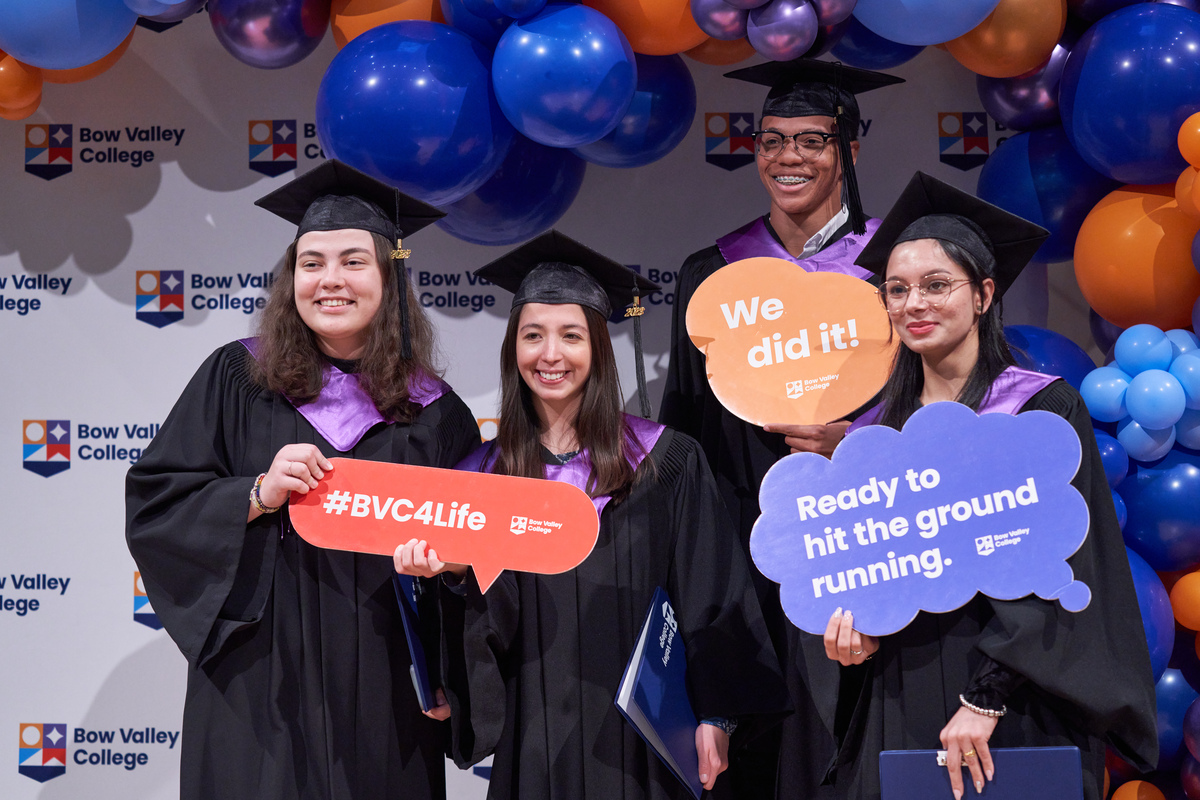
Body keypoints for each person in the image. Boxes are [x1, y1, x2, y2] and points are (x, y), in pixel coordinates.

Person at [125, 160, 481, 800]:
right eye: (311, 263)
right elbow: (158, 503)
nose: (330, 280)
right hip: (261, 679)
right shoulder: (237, 378)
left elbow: (477, 560)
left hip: (386, 684)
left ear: (389, 276)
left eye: (353, 261)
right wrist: (254, 495)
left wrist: (447, 595)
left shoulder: (437, 413)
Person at [394, 230, 789, 800]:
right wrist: (455, 578)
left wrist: (718, 714)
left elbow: (712, 588)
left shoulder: (665, 461)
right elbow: (479, 635)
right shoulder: (482, 479)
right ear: (512, 350)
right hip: (535, 739)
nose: (550, 354)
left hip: (644, 744)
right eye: (533, 335)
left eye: (571, 335)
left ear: (599, 349)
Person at [821, 172, 1157, 800]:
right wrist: (855, 632)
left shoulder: (1039, 410)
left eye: (936, 285)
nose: (913, 304)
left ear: (982, 294)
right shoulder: (877, 433)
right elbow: (870, 570)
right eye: (897, 289)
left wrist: (986, 697)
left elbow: (1070, 562)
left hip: (1025, 690)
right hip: (904, 684)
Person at [659, 57, 903, 798]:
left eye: (811, 140)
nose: (787, 157)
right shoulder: (712, 275)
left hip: (865, 541)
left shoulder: (894, 269)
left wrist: (859, 441)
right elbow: (686, 428)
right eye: (771, 140)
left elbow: (941, 409)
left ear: (849, 151)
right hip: (743, 547)